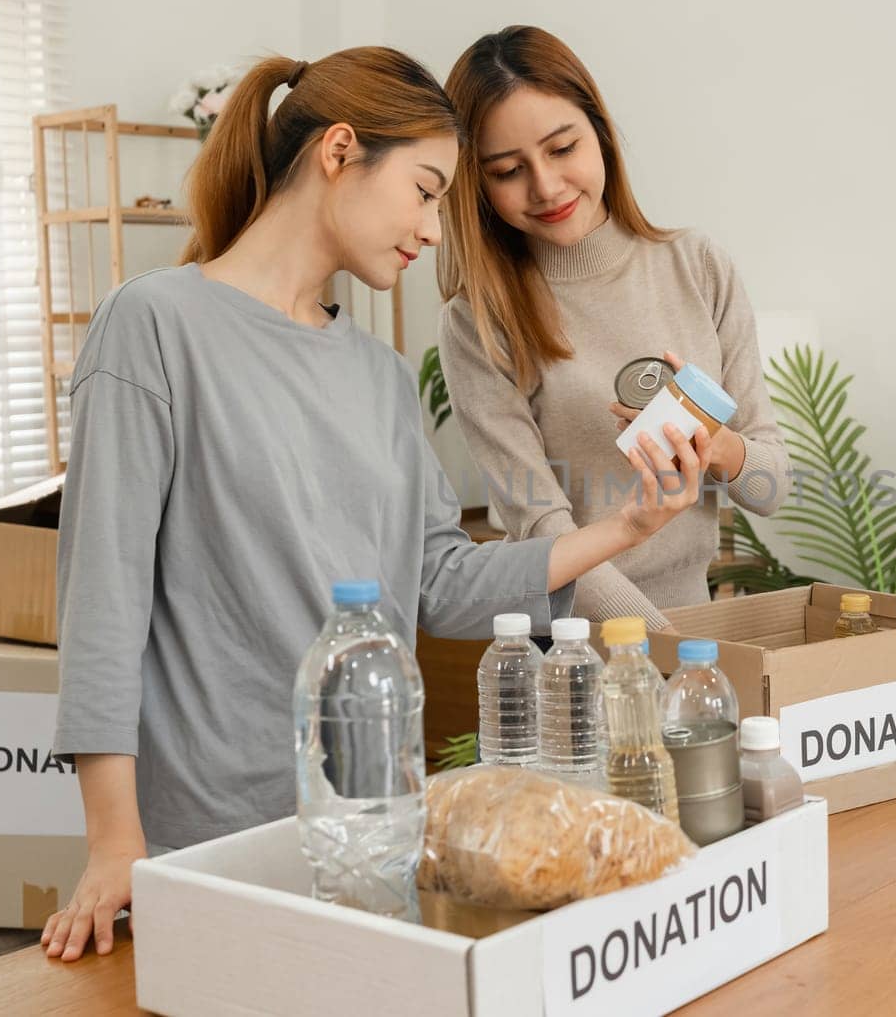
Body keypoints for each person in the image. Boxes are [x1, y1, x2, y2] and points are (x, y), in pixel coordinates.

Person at [41, 47, 709, 963]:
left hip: (373, 839)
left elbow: (441, 581)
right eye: (429, 189)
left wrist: (624, 527)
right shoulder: (153, 326)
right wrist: (114, 842)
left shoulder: (382, 377)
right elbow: (102, 601)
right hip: (209, 840)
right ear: (341, 151)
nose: (437, 228)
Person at [437, 26, 790, 631]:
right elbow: (543, 531)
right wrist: (663, 656)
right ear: (477, 182)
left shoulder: (698, 265)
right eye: (506, 169)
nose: (546, 187)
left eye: (561, 148)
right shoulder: (478, 323)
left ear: (598, 132)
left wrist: (713, 446)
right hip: (579, 652)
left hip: (695, 635)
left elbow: (772, 487)